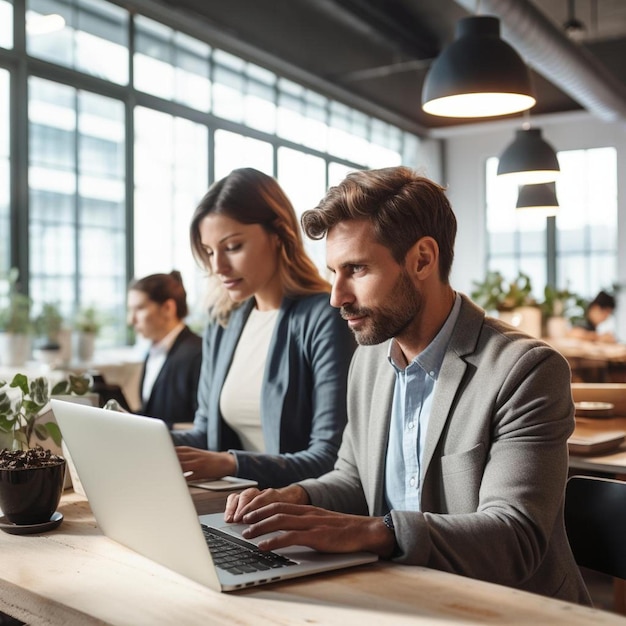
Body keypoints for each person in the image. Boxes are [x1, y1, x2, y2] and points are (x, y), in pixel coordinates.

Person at [223, 166, 591, 605]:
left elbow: (514, 536)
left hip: (509, 607)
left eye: (356, 269)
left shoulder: (525, 370)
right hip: (403, 594)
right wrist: (292, 499)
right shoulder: (368, 361)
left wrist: (375, 532)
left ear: (421, 259)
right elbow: (354, 480)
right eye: (333, 272)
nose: (336, 296)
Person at [171, 167, 355, 489]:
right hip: (234, 505)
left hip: (296, 510)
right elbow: (205, 432)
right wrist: (139, 434)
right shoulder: (223, 320)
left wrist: (231, 463)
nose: (218, 267)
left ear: (278, 235)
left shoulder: (324, 317)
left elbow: (329, 457)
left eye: (232, 247)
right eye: (210, 251)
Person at [127, 270, 202, 427]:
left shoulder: (198, 353)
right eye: (130, 310)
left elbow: (203, 426)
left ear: (167, 308)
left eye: (139, 309)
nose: (131, 320)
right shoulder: (153, 352)